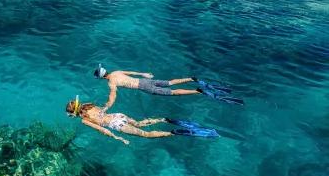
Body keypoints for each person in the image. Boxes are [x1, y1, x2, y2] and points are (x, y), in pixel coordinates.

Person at [66, 96, 218, 144]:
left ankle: (175, 132)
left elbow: (102, 129)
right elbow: (103, 111)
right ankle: (165, 119)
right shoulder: (89, 105)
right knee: (139, 123)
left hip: (115, 124)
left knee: (146, 135)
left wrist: (118, 138)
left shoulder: (84, 120)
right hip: (119, 115)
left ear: (74, 113)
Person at [94, 64, 243, 109]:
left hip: (145, 87)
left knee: (173, 93)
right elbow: (131, 71)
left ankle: (197, 91)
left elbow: (112, 95)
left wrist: (106, 107)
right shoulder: (117, 71)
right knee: (170, 82)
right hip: (146, 81)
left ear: (102, 78)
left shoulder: (111, 82)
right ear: (106, 71)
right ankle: (191, 78)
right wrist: (145, 74)